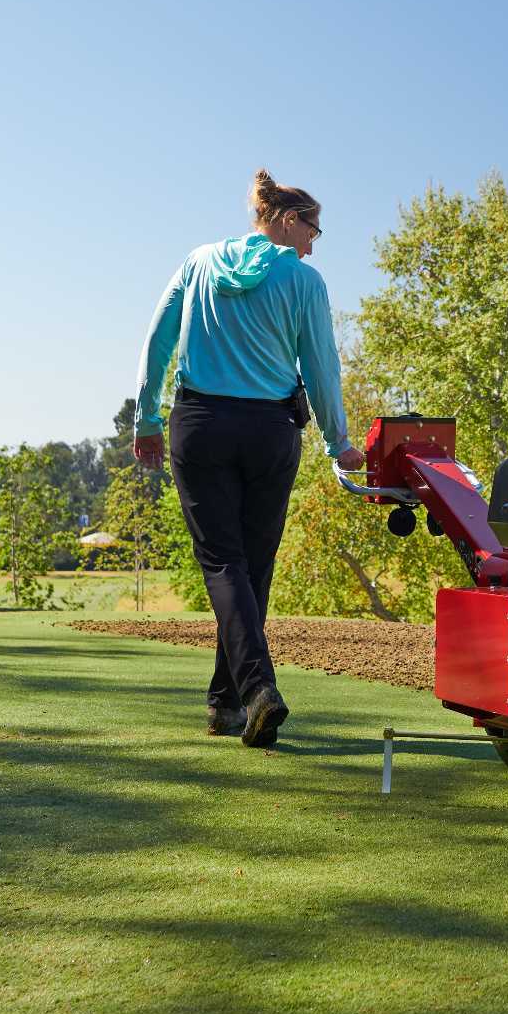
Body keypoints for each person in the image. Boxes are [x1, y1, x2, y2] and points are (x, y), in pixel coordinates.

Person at [132, 171, 367, 748]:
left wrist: (147, 418)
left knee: (225, 566)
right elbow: (321, 367)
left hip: (201, 426)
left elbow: (158, 340)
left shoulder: (199, 261)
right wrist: (339, 442)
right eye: (313, 229)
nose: (313, 243)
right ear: (287, 220)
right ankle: (251, 692)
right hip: (269, 431)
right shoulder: (304, 280)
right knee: (247, 568)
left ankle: (231, 700)